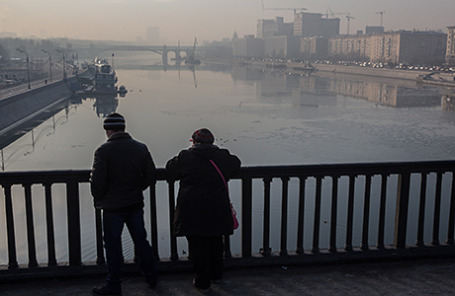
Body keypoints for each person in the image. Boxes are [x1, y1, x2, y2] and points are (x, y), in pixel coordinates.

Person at [166, 128, 241, 293]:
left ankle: (202, 282)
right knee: (216, 243)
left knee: (197, 246)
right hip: (216, 208)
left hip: (192, 211)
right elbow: (236, 163)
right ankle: (216, 275)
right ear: (212, 142)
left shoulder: (185, 157)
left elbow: (170, 170)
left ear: (193, 142)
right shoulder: (222, 156)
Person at [90, 113, 157, 296]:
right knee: (141, 241)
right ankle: (151, 277)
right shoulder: (140, 148)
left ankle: (114, 285)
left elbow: (97, 181)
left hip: (112, 207)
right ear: (124, 128)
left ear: (108, 130)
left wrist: (100, 199)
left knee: (112, 246)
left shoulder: (103, 151)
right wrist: (137, 188)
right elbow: (151, 175)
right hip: (134, 203)